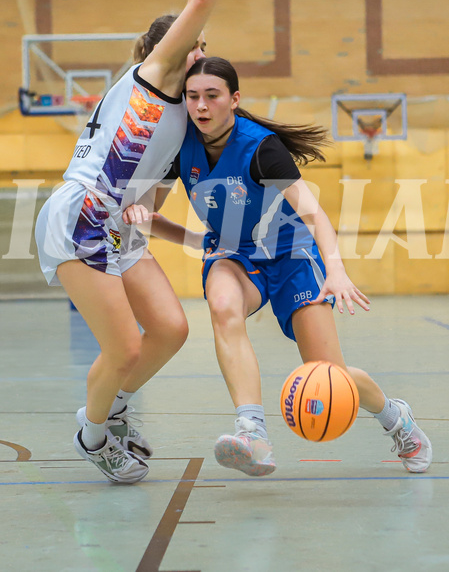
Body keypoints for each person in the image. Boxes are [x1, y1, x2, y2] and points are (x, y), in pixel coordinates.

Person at [34, 0, 252, 484]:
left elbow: (146, 212)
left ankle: (114, 406)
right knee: (125, 348)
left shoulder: (185, 118)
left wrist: (203, 243)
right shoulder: (152, 76)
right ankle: (94, 432)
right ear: (165, 49)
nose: (200, 54)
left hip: (116, 226)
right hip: (78, 218)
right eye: (193, 45)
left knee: (171, 328)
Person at [124, 56, 433, 477]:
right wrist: (149, 218)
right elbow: (150, 213)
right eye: (193, 96)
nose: (201, 106)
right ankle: (252, 432)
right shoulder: (180, 147)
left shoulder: (262, 148)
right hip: (233, 256)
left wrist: (337, 270)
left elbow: (315, 216)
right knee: (223, 306)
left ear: (233, 99)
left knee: (329, 374)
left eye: (212, 96)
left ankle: (397, 418)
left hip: (291, 257)